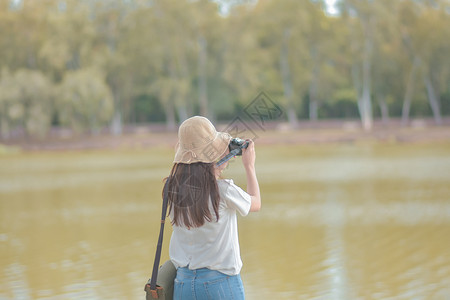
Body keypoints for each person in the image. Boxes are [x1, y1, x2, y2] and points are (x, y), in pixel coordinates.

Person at [166, 116, 261, 300]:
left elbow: (198, 178)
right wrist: (249, 166)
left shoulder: (172, 189)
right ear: (212, 155)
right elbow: (255, 202)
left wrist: (215, 167)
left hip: (182, 285)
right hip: (220, 285)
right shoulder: (224, 190)